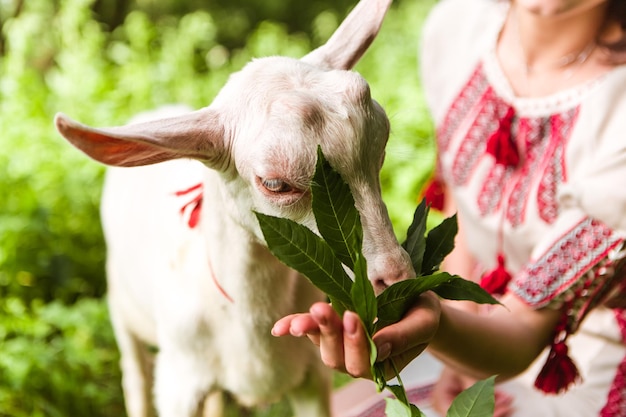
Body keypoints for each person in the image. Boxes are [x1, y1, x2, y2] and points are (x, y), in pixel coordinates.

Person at [271, 0, 626, 415]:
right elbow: (463, 221)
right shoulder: (459, 26)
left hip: (586, 357)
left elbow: (524, 330)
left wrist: (435, 322)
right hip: (480, 331)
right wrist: (458, 350)